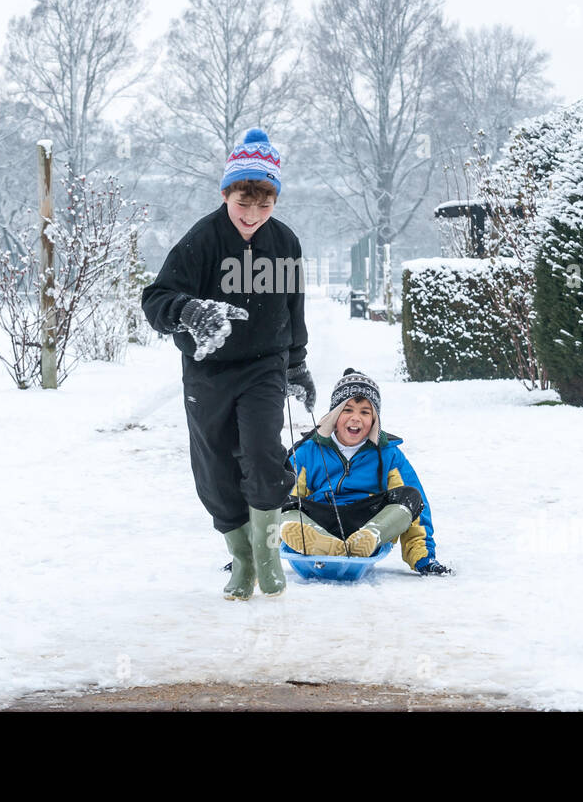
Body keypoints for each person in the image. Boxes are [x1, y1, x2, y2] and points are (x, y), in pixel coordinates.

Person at [141, 128, 315, 601]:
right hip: (208, 372)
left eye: (265, 205)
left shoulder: (285, 243)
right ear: (225, 193)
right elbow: (156, 298)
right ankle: (241, 558)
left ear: (275, 201)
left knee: (262, 454)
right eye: (244, 202)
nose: (253, 215)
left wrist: (296, 365)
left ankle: (266, 552)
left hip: (265, 366)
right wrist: (189, 311)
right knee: (215, 471)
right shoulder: (202, 240)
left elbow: (293, 308)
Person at [281, 369, 453, 575]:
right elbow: (285, 495)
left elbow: (417, 510)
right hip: (319, 518)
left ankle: (369, 537)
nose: (356, 418)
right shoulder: (308, 451)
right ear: (335, 415)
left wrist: (423, 558)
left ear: (374, 420)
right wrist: (254, 556)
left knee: (411, 497)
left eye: (365, 412)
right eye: (348, 410)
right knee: (278, 499)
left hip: (366, 520)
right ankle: (319, 541)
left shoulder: (388, 454)